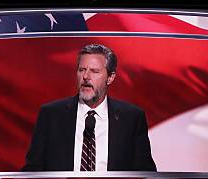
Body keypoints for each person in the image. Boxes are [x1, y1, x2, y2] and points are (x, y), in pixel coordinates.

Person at [22, 44, 156, 172]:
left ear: (110, 77)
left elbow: (145, 176)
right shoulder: (51, 115)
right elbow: (33, 171)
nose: (86, 77)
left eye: (94, 71)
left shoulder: (131, 118)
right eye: (82, 70)